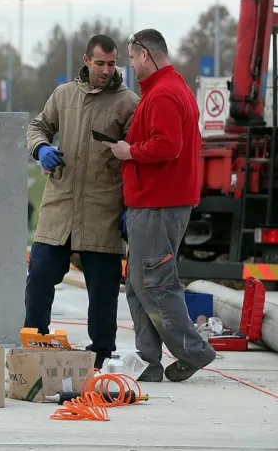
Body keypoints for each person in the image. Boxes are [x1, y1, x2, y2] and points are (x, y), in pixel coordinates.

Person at [25, 34, 139, 368]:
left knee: (102, 295)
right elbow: (37, 127)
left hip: (102, 211)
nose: (106, 70)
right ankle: (35, 345)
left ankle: (101, 360)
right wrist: (41, 148)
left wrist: (130, 206)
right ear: (87, 60)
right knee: (39, 278)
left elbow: (137, 159)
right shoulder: (63, 96)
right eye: (100, 63)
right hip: (59, 207)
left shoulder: (127, 103)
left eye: (112, 63)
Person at [110, 28, 216, 382]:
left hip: (159, 204)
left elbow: (166, 145)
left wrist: (129, 151)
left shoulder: (164, 94)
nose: (131, 65)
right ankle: (148, 360)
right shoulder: (171, 90)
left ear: (145, 53)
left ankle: (193, 351)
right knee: (139, 284)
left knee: (155, 283)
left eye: (131, 57)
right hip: (156, 202)